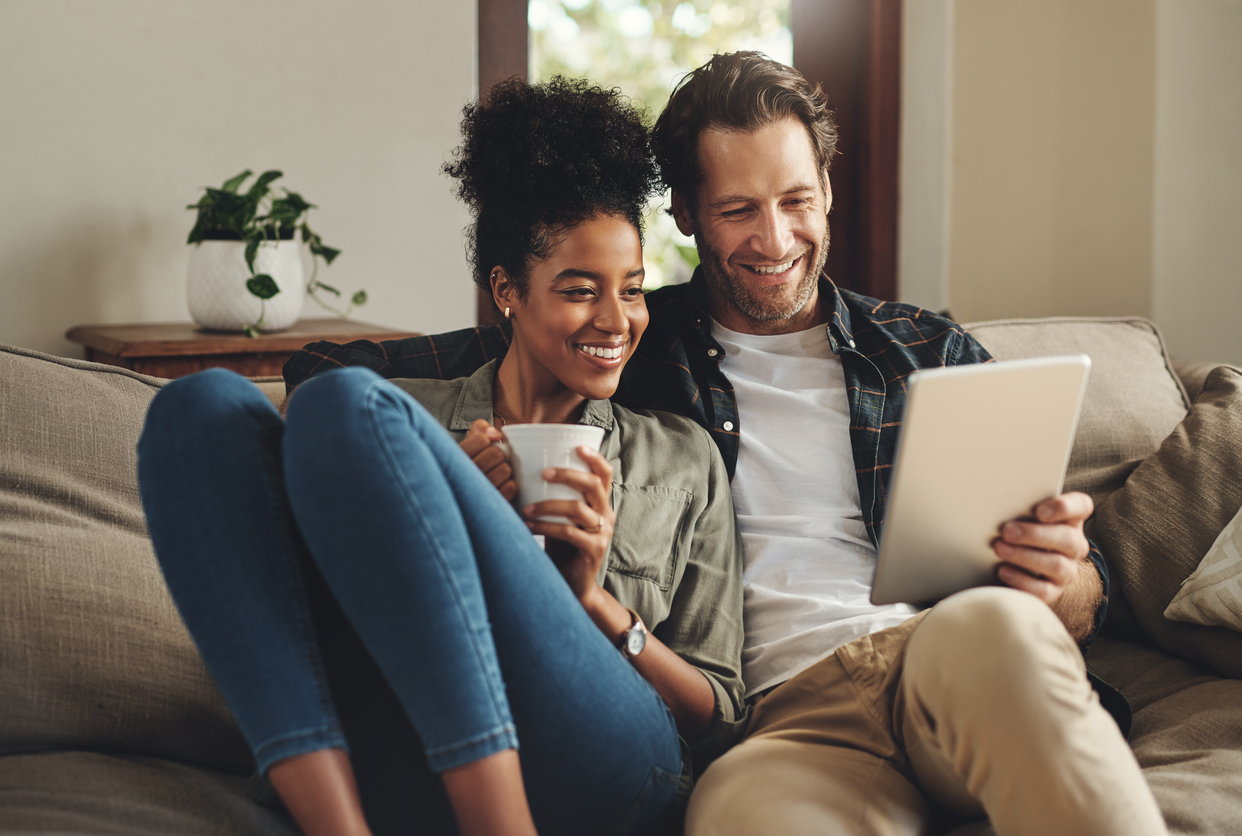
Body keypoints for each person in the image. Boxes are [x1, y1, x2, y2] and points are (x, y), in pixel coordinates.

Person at [282, 55, 1167, 836]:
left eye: (795, 201)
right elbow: (332, 374)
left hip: (945, 663)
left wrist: (1066, 579)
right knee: (736, 817)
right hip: (775, 731)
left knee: (1000, 629)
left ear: (827, 186)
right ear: (685, 216)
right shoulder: (627, 336)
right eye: (738, 210)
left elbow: (1074, 601)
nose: (775, 240)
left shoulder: (926, 350)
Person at [138, 76, 745, 836]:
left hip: (604, 757)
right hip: (399, 739)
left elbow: (721, 717)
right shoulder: (403, 425)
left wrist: (593, 603)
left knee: (344, 399)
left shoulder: (682, 459)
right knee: (197, 409)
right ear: (506, 290)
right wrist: (444, 507)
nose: (616, 320)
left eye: (632, 290)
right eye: (580, 290)